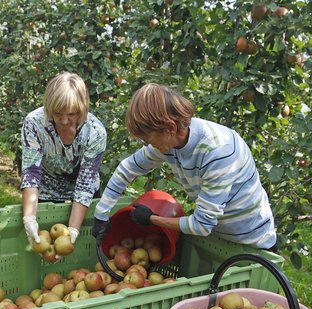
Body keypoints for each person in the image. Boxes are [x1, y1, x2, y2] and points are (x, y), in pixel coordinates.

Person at [92, 83, 277, 252]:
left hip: (254, 243)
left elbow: (202, 225)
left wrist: (151, 219)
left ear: (169, 128)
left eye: (146, 139)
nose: (145, 144)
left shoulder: (218, 151)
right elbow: (128, 168)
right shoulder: (168, 144)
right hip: (219, 240)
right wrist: (101, 213)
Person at [21, 72, 107, 252]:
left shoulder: (95, 132)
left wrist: (73, 230)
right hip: (47, 186)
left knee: (86, 246)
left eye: (72, 114)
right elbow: (31, 172)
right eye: (58, 114)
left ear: (82, 108)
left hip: (82, 189)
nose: (64, 121)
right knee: (42, 246)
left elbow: (85, 185)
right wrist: (29, 217)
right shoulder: (35, 123)